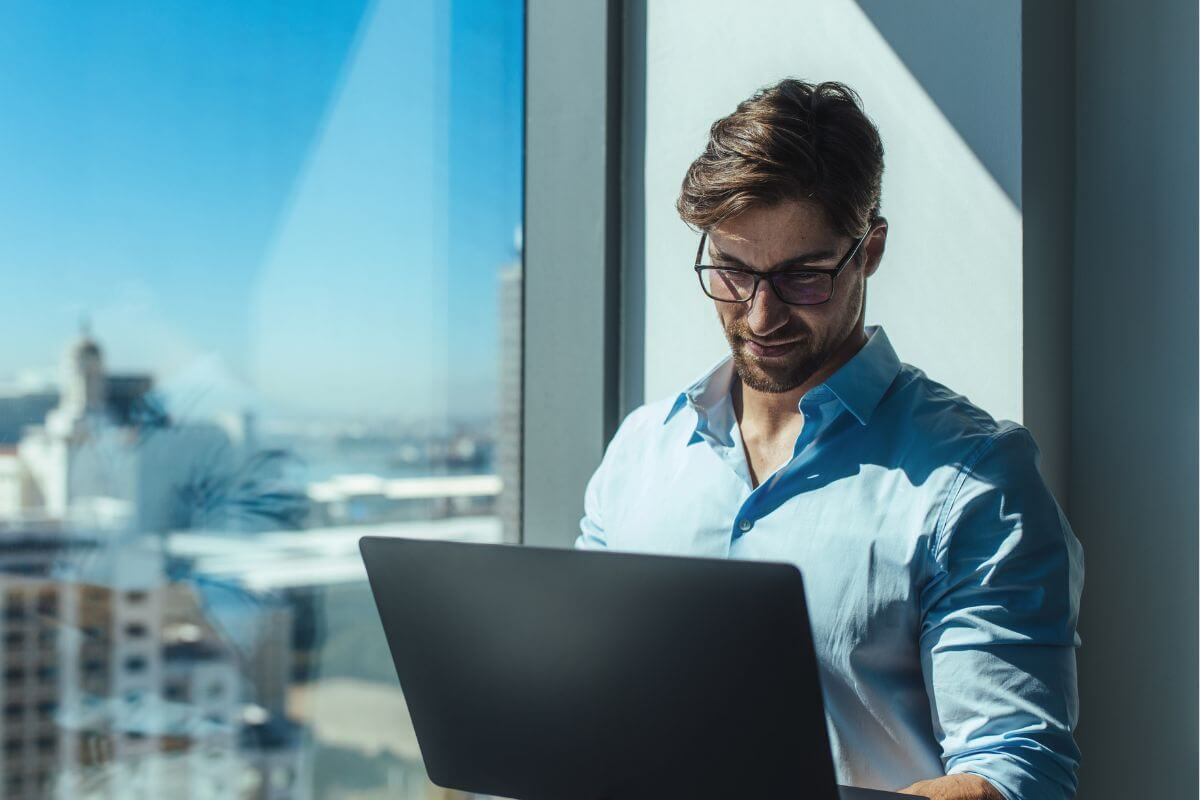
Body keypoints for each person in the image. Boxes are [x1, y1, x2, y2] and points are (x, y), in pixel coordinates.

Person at [576, 79, 1083, 800]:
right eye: (731, 272)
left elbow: (1016, 771)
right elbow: (586, 696)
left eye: (802, 278)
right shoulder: (639, 452)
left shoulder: (974, 480)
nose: (758, 316)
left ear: (869, 249)